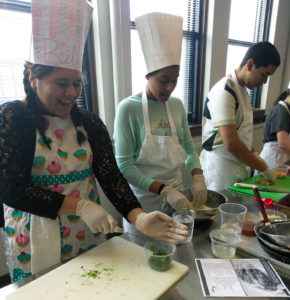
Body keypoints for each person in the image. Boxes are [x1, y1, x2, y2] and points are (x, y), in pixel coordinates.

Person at [0, 1, 188, 283]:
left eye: (77, 83)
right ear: (32, 78)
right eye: (62, 83)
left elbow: (111, 176)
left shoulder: (88, 122)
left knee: (89, 285)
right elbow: (11, 189)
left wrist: (138, 217)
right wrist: (79, 205)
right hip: (36, 232)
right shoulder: (11, 118)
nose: (71, 93)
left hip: (85, 230)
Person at [113, 12, 207, 238]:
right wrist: (164, 190)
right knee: (142, 259)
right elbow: (125, 166)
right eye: (164, 80)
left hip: (176, 199)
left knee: (171, 256)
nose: (169, 87)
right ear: (148, 75)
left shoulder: (176, 105)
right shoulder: (128, 109)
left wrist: (197, 175)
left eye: (174, 80)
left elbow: (186, 146)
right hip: (142, 203)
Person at [200, 41, 281, 192]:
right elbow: (232, 144)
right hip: (221, 169)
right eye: (265, 74)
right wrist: (264, 167)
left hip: (236, 166)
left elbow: (242, 137)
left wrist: (257, 158)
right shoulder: (224, 91)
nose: (264, 81)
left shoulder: (241, 90)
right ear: (250, 64)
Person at [258, 83, 290, 168]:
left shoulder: (287, 111)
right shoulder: (281, 111)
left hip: (281, 161)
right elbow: (283, 144)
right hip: (272, 161)